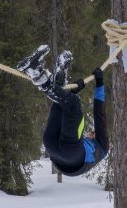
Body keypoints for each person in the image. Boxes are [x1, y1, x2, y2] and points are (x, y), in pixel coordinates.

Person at [16, 45, 108, 177]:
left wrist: (100, 83)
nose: (91, 133)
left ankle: (43, 80)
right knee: (63, 102)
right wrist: (74, 91)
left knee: (73, 104)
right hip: (52, 146)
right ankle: (46, 74)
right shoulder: (99, 147)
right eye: (92, 133)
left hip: (70, 153)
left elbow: (100, 116)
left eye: (91, 133)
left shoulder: (102, 149)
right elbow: (99, 118)